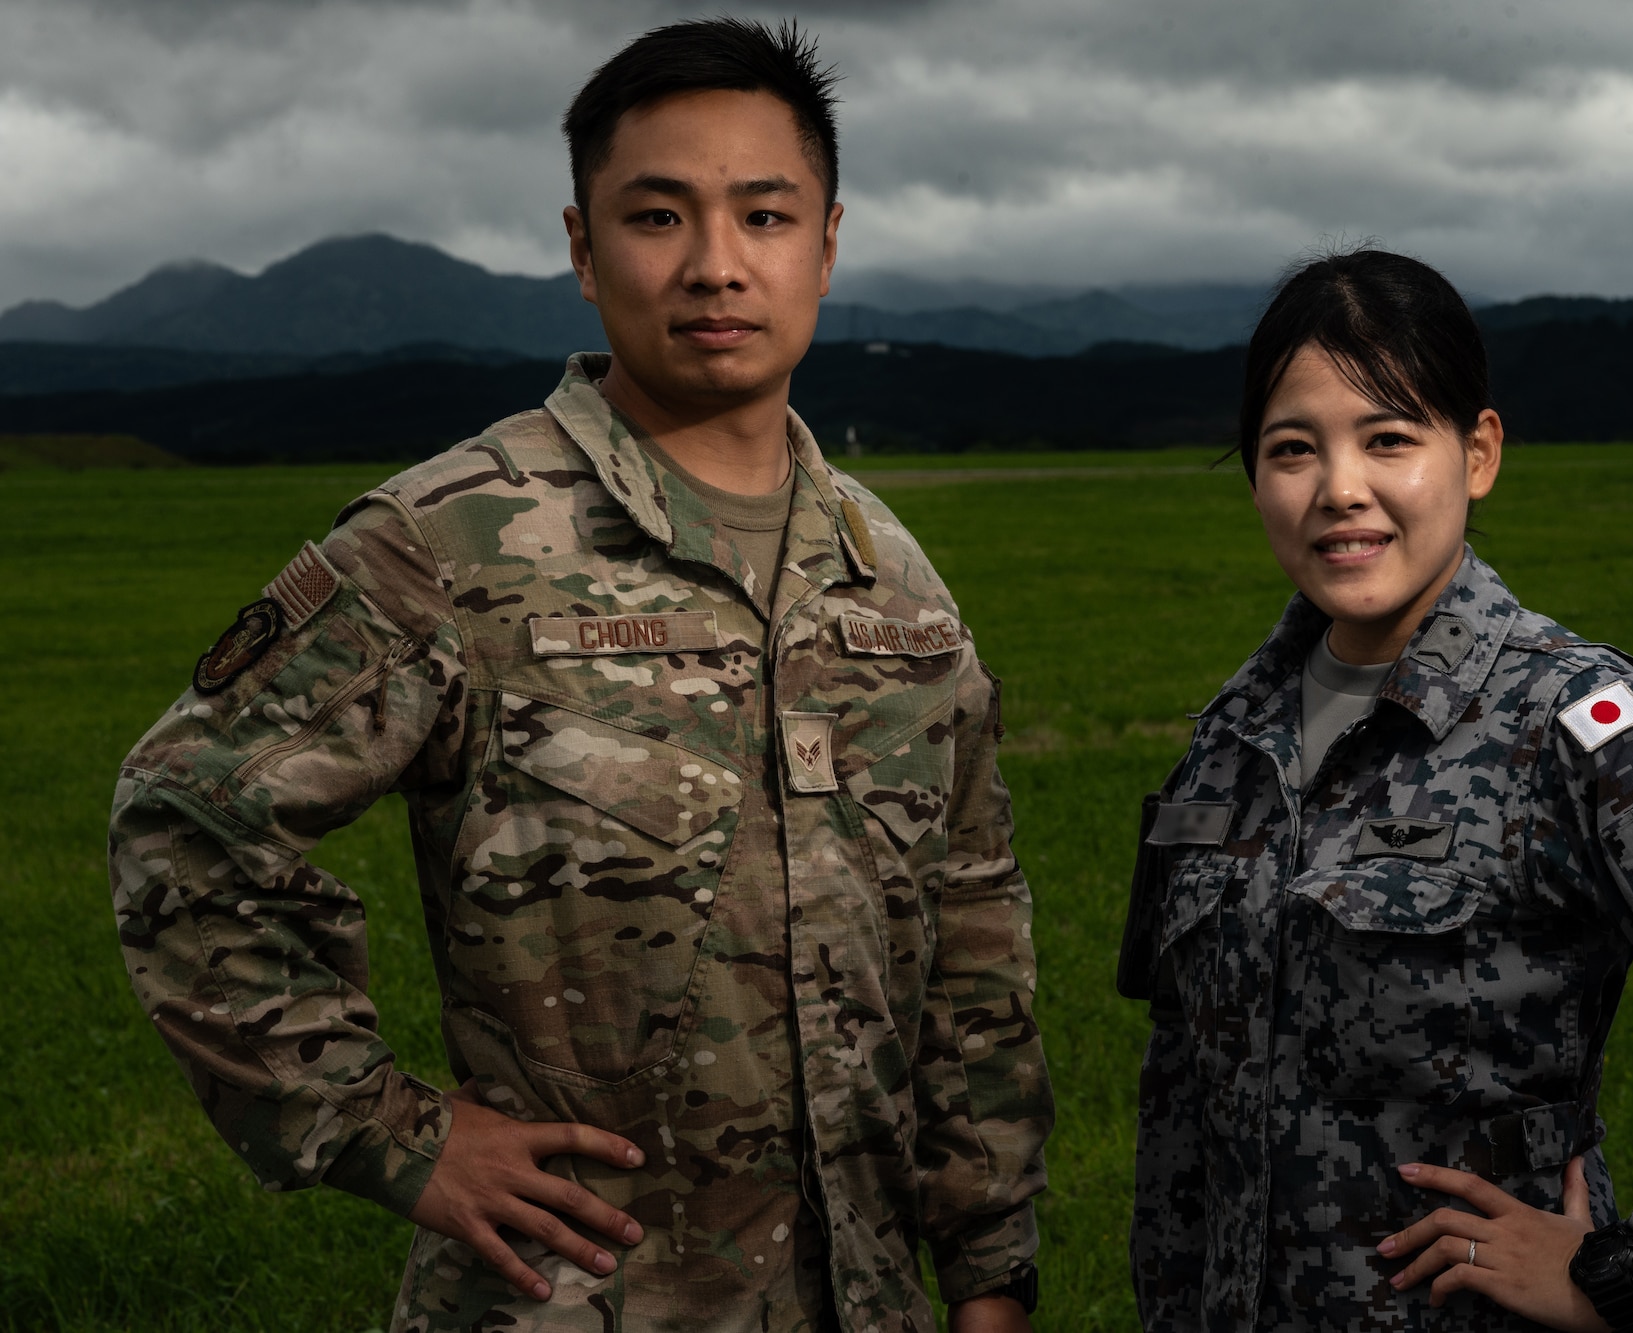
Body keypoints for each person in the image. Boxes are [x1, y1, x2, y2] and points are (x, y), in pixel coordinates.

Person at [107, 20, 1049, 1333]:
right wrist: (398, 1131)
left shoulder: (893, 583)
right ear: (581, 245)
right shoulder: (451, 540)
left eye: (764, 216)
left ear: (826, 245)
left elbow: (974, 929)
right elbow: (186, 818)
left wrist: (991, 1269)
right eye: (658, 215)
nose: (716, 265)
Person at [1120, 249, 1633, 1332]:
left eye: (1388, 438)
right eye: (1291, 449)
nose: (1338, 488)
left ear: (1478, 453)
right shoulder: (1226, 745)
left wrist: (1631, 1265)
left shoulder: (1574, 730)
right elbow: (1180, 1102)